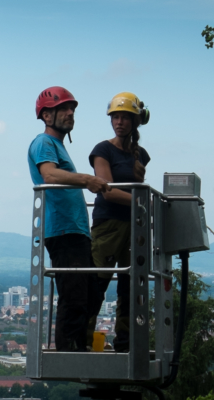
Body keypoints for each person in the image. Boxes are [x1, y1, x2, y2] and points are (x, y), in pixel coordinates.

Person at [28, 86, 111, 352]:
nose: (69, 113)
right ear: (46, 116)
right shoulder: (43, 143)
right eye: (62, 109)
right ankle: (68, 350)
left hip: (75, 232)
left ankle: (77, 345)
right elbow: (49, 175)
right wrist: (87, 180)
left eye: (71, 109)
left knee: (90, 293)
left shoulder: (58, 147)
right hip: (63, 232)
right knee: (74, 294)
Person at [89, 91, 151, 352]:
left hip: (134, 227)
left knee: (130, 287)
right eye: (115, 117)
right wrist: (142, 204)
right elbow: (108, 189)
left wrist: (141, 208)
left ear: (135, 121)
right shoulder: (102, 150)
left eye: (125, 117)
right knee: (96, 283)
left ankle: (126, 342)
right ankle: (83, 339)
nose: (119, 122)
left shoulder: (141, 155)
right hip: (108, 225)